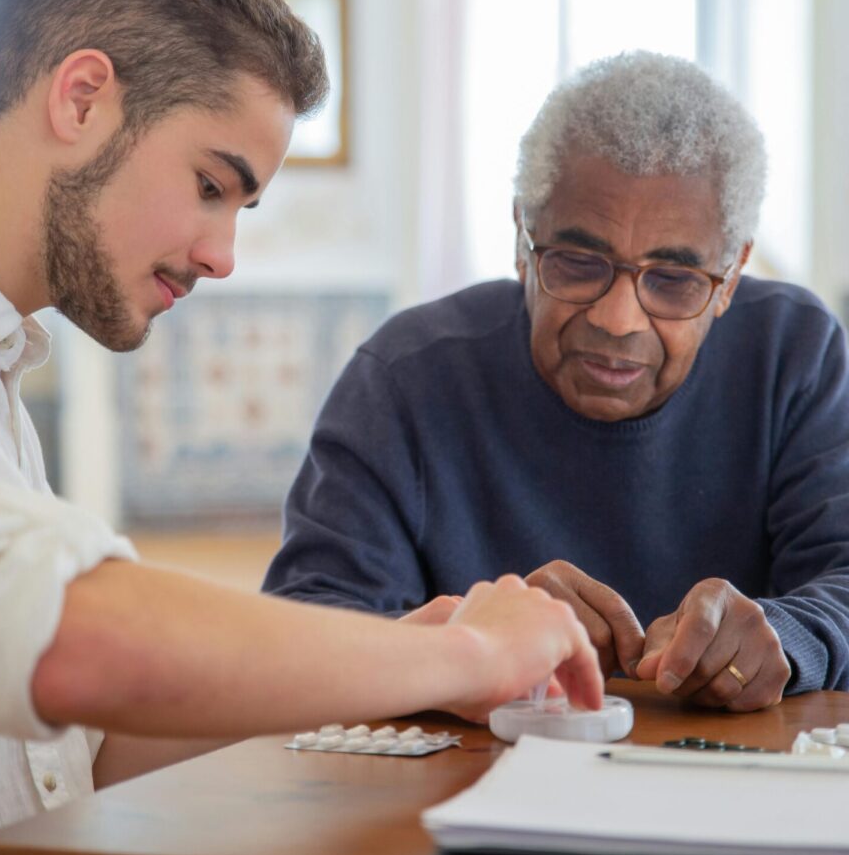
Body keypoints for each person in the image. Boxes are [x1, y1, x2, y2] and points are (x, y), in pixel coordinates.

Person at [0, 0, 602, 855]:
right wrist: (467, 657)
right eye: (208, 183)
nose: (222, 255)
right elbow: (73, 640)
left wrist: (390, 660)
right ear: (81, 99)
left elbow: (73, 750)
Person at [264, 50, 849, 715]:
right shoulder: (406, 378)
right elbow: (306, 628)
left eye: (675, 280)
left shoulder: (793, 354)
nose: (618, 318)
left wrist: (787, 632)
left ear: (732, 275)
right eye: (577, 262)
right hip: (455, 791)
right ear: (522, 239)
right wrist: (468, 644)